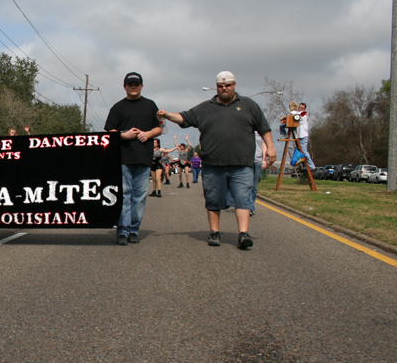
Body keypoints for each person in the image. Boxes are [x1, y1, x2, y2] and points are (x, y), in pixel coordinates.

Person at [157, 71, 276, 250]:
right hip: (213, 164)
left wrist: (271, 147)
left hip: (242, 164)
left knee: (243, 198)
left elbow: (264, 128)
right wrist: (166, 115)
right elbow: (184, 118)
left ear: (234, 85)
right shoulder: (205, 108)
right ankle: (214, 232)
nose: (224, 88)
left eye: (228, 85)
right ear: (216, 87)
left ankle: (243, 234)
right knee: (213, 199)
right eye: (221, 86)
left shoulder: (249, 105)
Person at [104, 72, 162, 245]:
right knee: (124, 195)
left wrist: (148, 134)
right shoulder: (118, 107)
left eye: (136, 84)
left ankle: (134, 229)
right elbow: (110, 131)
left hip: (144, 158)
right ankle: (122, 230)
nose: (133, 86)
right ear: (125, 87)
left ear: (142, 86)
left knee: (139, 196)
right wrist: (124, 135)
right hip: (122, 159)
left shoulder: (150, 105)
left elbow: (158, 129)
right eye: (130, 84)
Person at [296, 102, 314, 171]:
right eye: (299, 107)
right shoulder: (298, 113)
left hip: (303, 135)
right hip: (299, 135)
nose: (300, 108)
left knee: (304, 150)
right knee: (300, 151)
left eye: (302, 108)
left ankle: (311, 165)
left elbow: (296, 117)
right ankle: (304, 165)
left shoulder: (303, 115)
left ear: (304, 109)